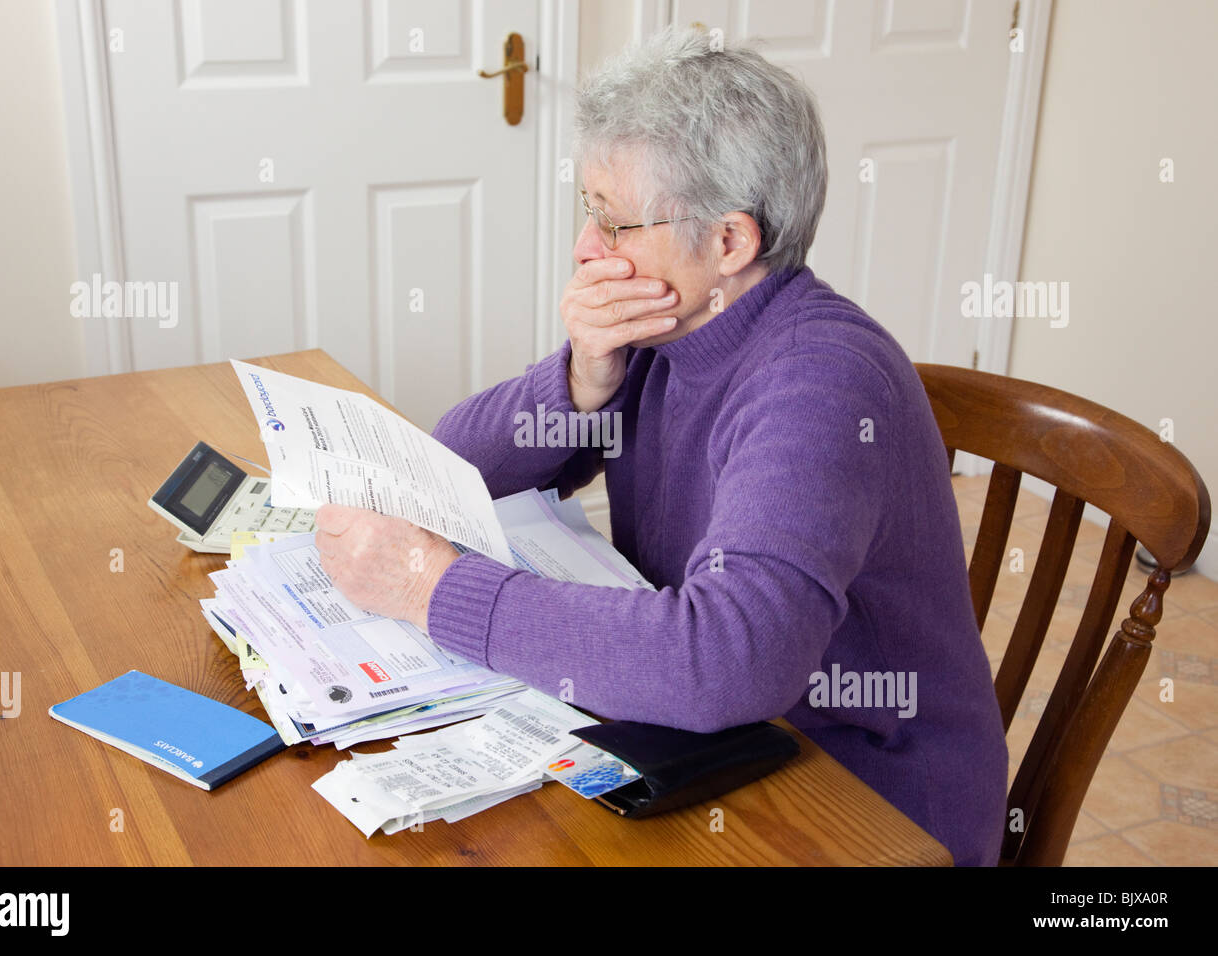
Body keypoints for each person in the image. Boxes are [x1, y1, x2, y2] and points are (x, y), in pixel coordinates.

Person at [314, 26, 1008, 865]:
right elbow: (440, 471)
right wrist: (579, 383)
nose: (584, 250)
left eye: (614, 224)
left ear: (729, 242)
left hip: (866, 803)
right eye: (588, 214)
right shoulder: (668, 326)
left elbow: (728, 659)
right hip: (719, 744)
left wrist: (432, 589)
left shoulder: (820, 383)